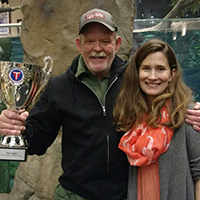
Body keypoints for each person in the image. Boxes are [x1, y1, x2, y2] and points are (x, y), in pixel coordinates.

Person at [0, 9, 200, 200]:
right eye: (90, 41)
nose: (98, 49)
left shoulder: (132, 81)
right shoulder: (59, 86)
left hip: (124, 194)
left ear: (117, 43)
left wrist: (194, 112)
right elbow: (38, 139)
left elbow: (166, 99)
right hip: (74, 195)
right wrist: (15, 129)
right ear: (79, 44)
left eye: (105, 41)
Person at [113, 39, 200, 200]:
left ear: (172, 74)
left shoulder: (187, 114)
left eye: (160, 69)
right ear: (137, 72)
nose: (152, 76)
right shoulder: (132, 114)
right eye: (146, 68)